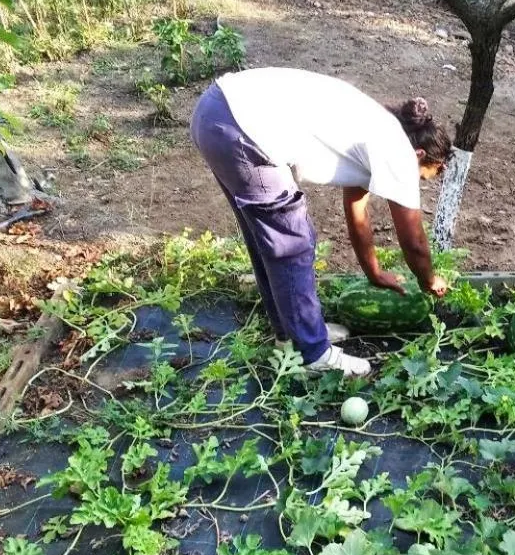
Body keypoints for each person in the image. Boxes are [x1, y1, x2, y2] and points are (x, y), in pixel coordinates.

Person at [190, 67, 454, 377]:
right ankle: (313, 354)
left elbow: (357, 213)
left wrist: (374, 271)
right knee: (293, 244)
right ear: (419, 155)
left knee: (268, 241)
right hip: (240, 128)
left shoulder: (379, 130)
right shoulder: (399, 151)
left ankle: (294, 334)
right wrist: (429, 280)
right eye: (424, 176)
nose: (418, 182)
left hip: (217, 112)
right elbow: (414, 242)